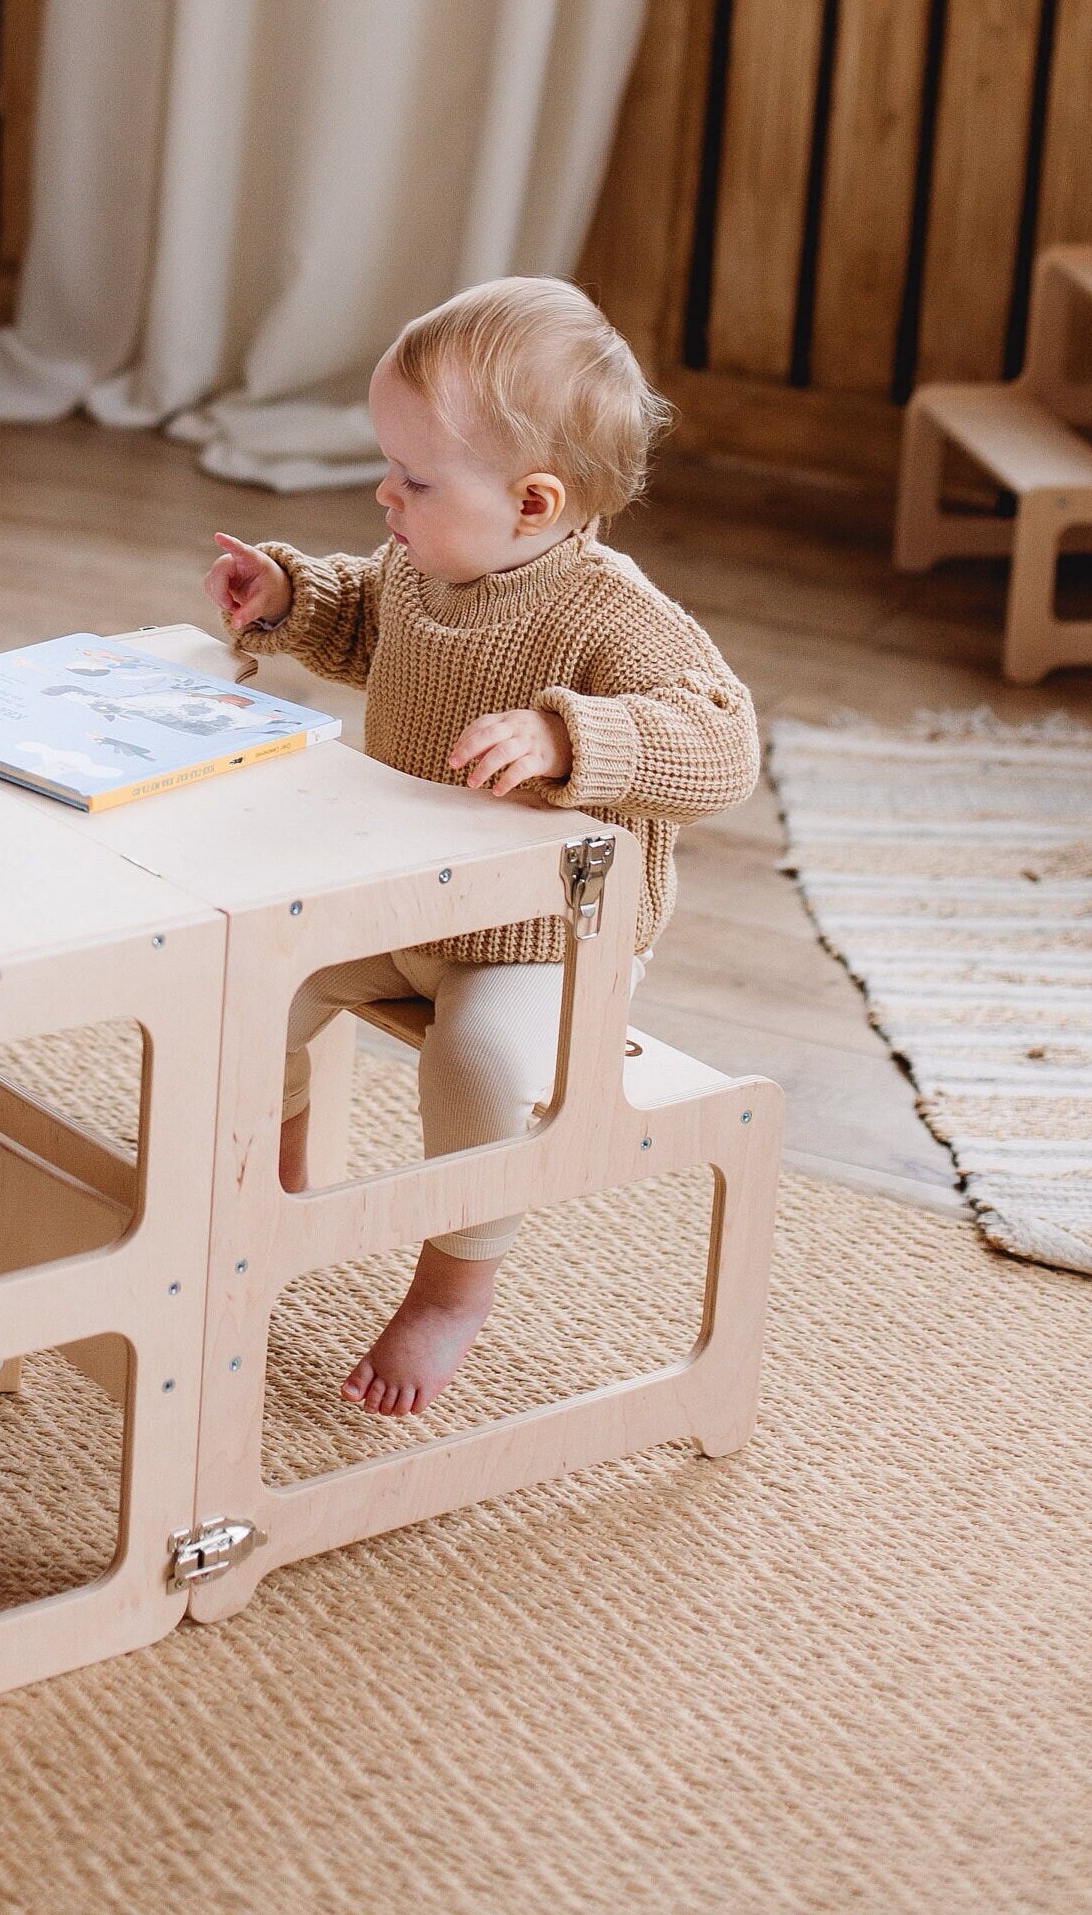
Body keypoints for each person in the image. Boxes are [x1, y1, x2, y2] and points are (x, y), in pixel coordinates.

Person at [207, 277, 756, 1417]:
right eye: (387, 468)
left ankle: (455, 1281)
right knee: (252, 985)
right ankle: (276, 1194)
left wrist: (571, 734)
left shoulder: (613, 613)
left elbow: (722, 745)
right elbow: (368, 620)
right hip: (397, 902)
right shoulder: (426, 561)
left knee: (479, 1065)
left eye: (412, 478)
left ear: (532, 501)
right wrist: (287, 596)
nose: (383, 494)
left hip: (541, 938)